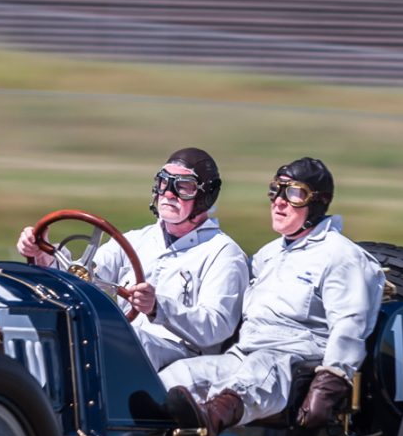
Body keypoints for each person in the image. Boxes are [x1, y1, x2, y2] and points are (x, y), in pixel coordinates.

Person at [160, 157, 386, 436]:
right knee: (179, 374)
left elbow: (350, 323)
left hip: (293, 360)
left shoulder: (340, 256)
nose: (278, 202)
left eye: (293, 194)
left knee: (259, 370)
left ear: (317, 203)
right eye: (274, 191)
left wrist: (332, 379)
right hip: (242, 354)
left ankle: (205, 427)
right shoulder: (268, 255)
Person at [16, 148, 249, 371]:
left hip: (184, 355)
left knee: (120, 338)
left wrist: (158, 307)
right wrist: (43, 253)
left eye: (183, 187)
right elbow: (82, 277)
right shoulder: (137, 240)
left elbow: (216, 327)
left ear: (205, 195)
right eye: (163, 183)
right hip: (127, 340)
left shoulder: (223, 253)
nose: (168, 194)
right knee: (58, 330)